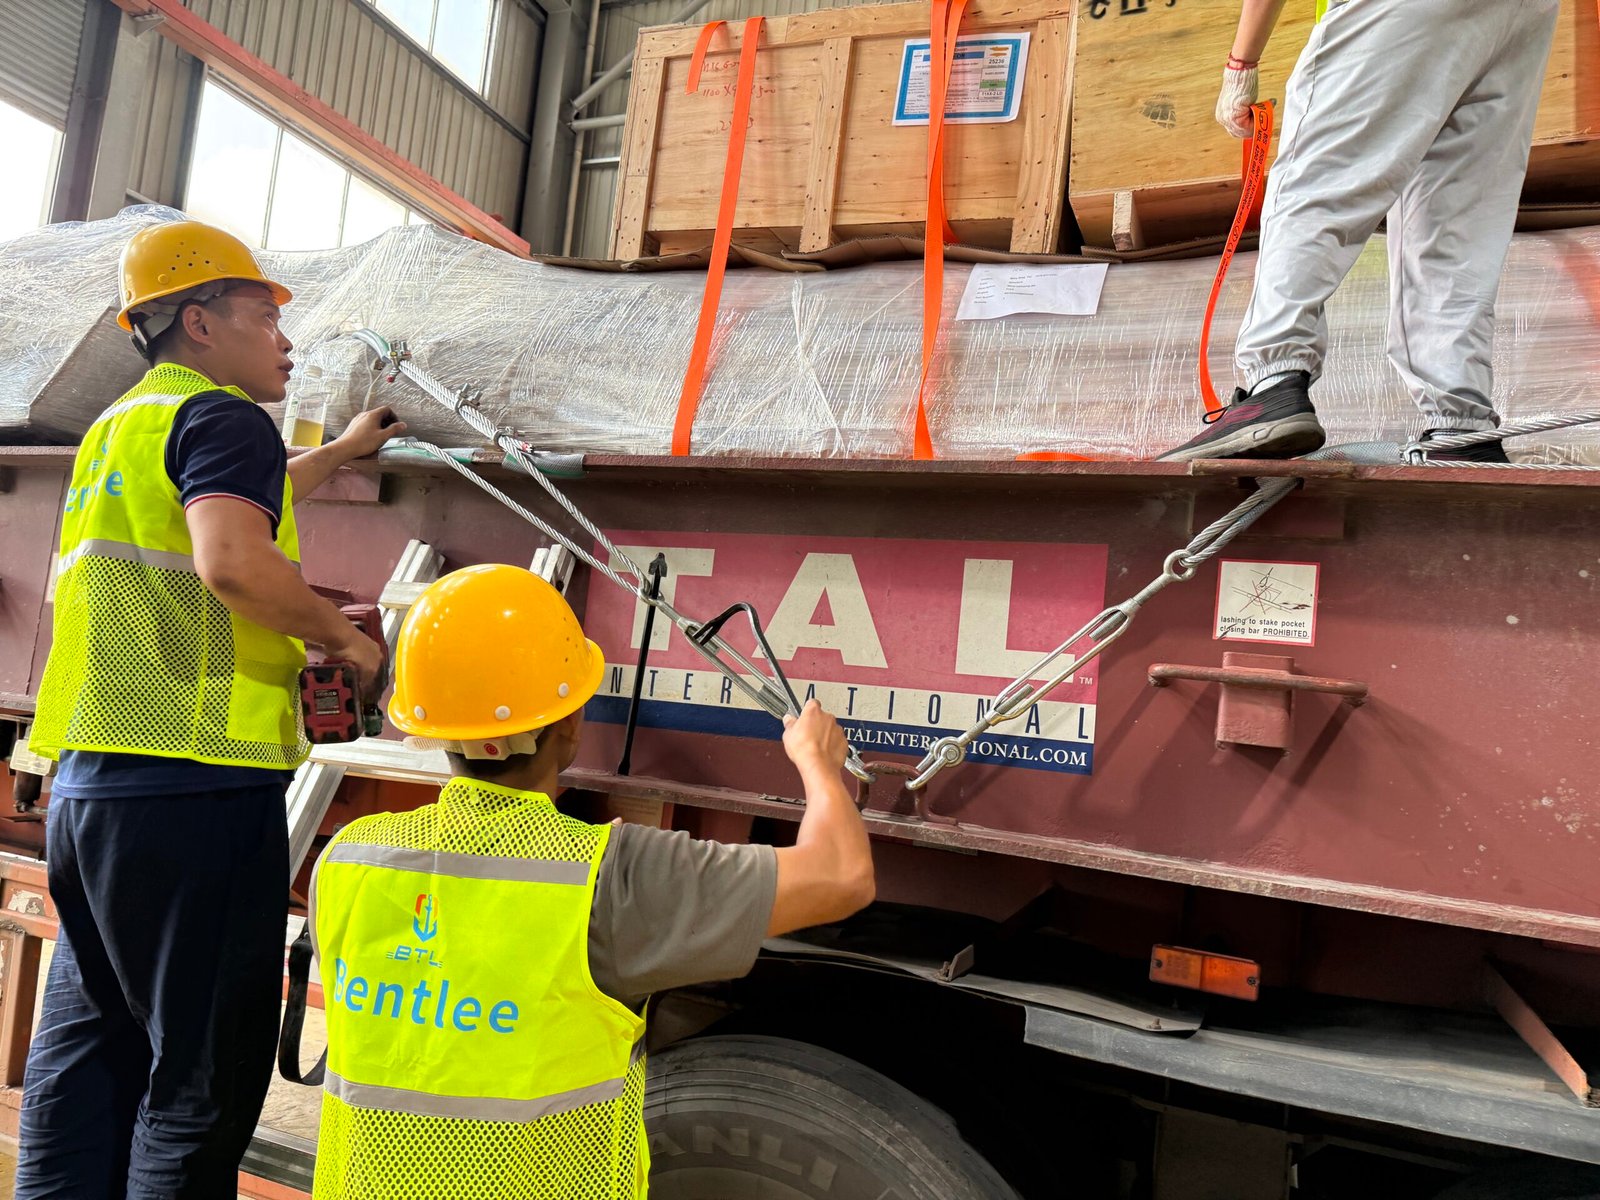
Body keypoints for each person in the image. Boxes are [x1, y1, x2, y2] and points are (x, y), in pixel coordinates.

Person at [18, 219, 407, 1199]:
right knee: (198, 1079)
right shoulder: (226, 417)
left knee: (87, 1054)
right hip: (193, 789)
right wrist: (347, 639)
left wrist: (347, 451)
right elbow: (231, 559)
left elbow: (243, 494)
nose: (285, 339)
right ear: (198, 321)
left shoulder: (124, 428)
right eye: (265, 315)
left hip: (93, 786)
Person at [307, 563, 876, 1199]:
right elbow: (842, 876)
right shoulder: (609, 881)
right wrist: (818, 763)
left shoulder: (349, 861)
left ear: (430, 727)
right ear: (569, 725)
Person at [1158, 0, 1559, 464]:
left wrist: (1240, 64)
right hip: (1525, 14)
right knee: (1453, 223)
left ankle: (1273, 380)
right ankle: (1460, 426)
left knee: (1317, 184)